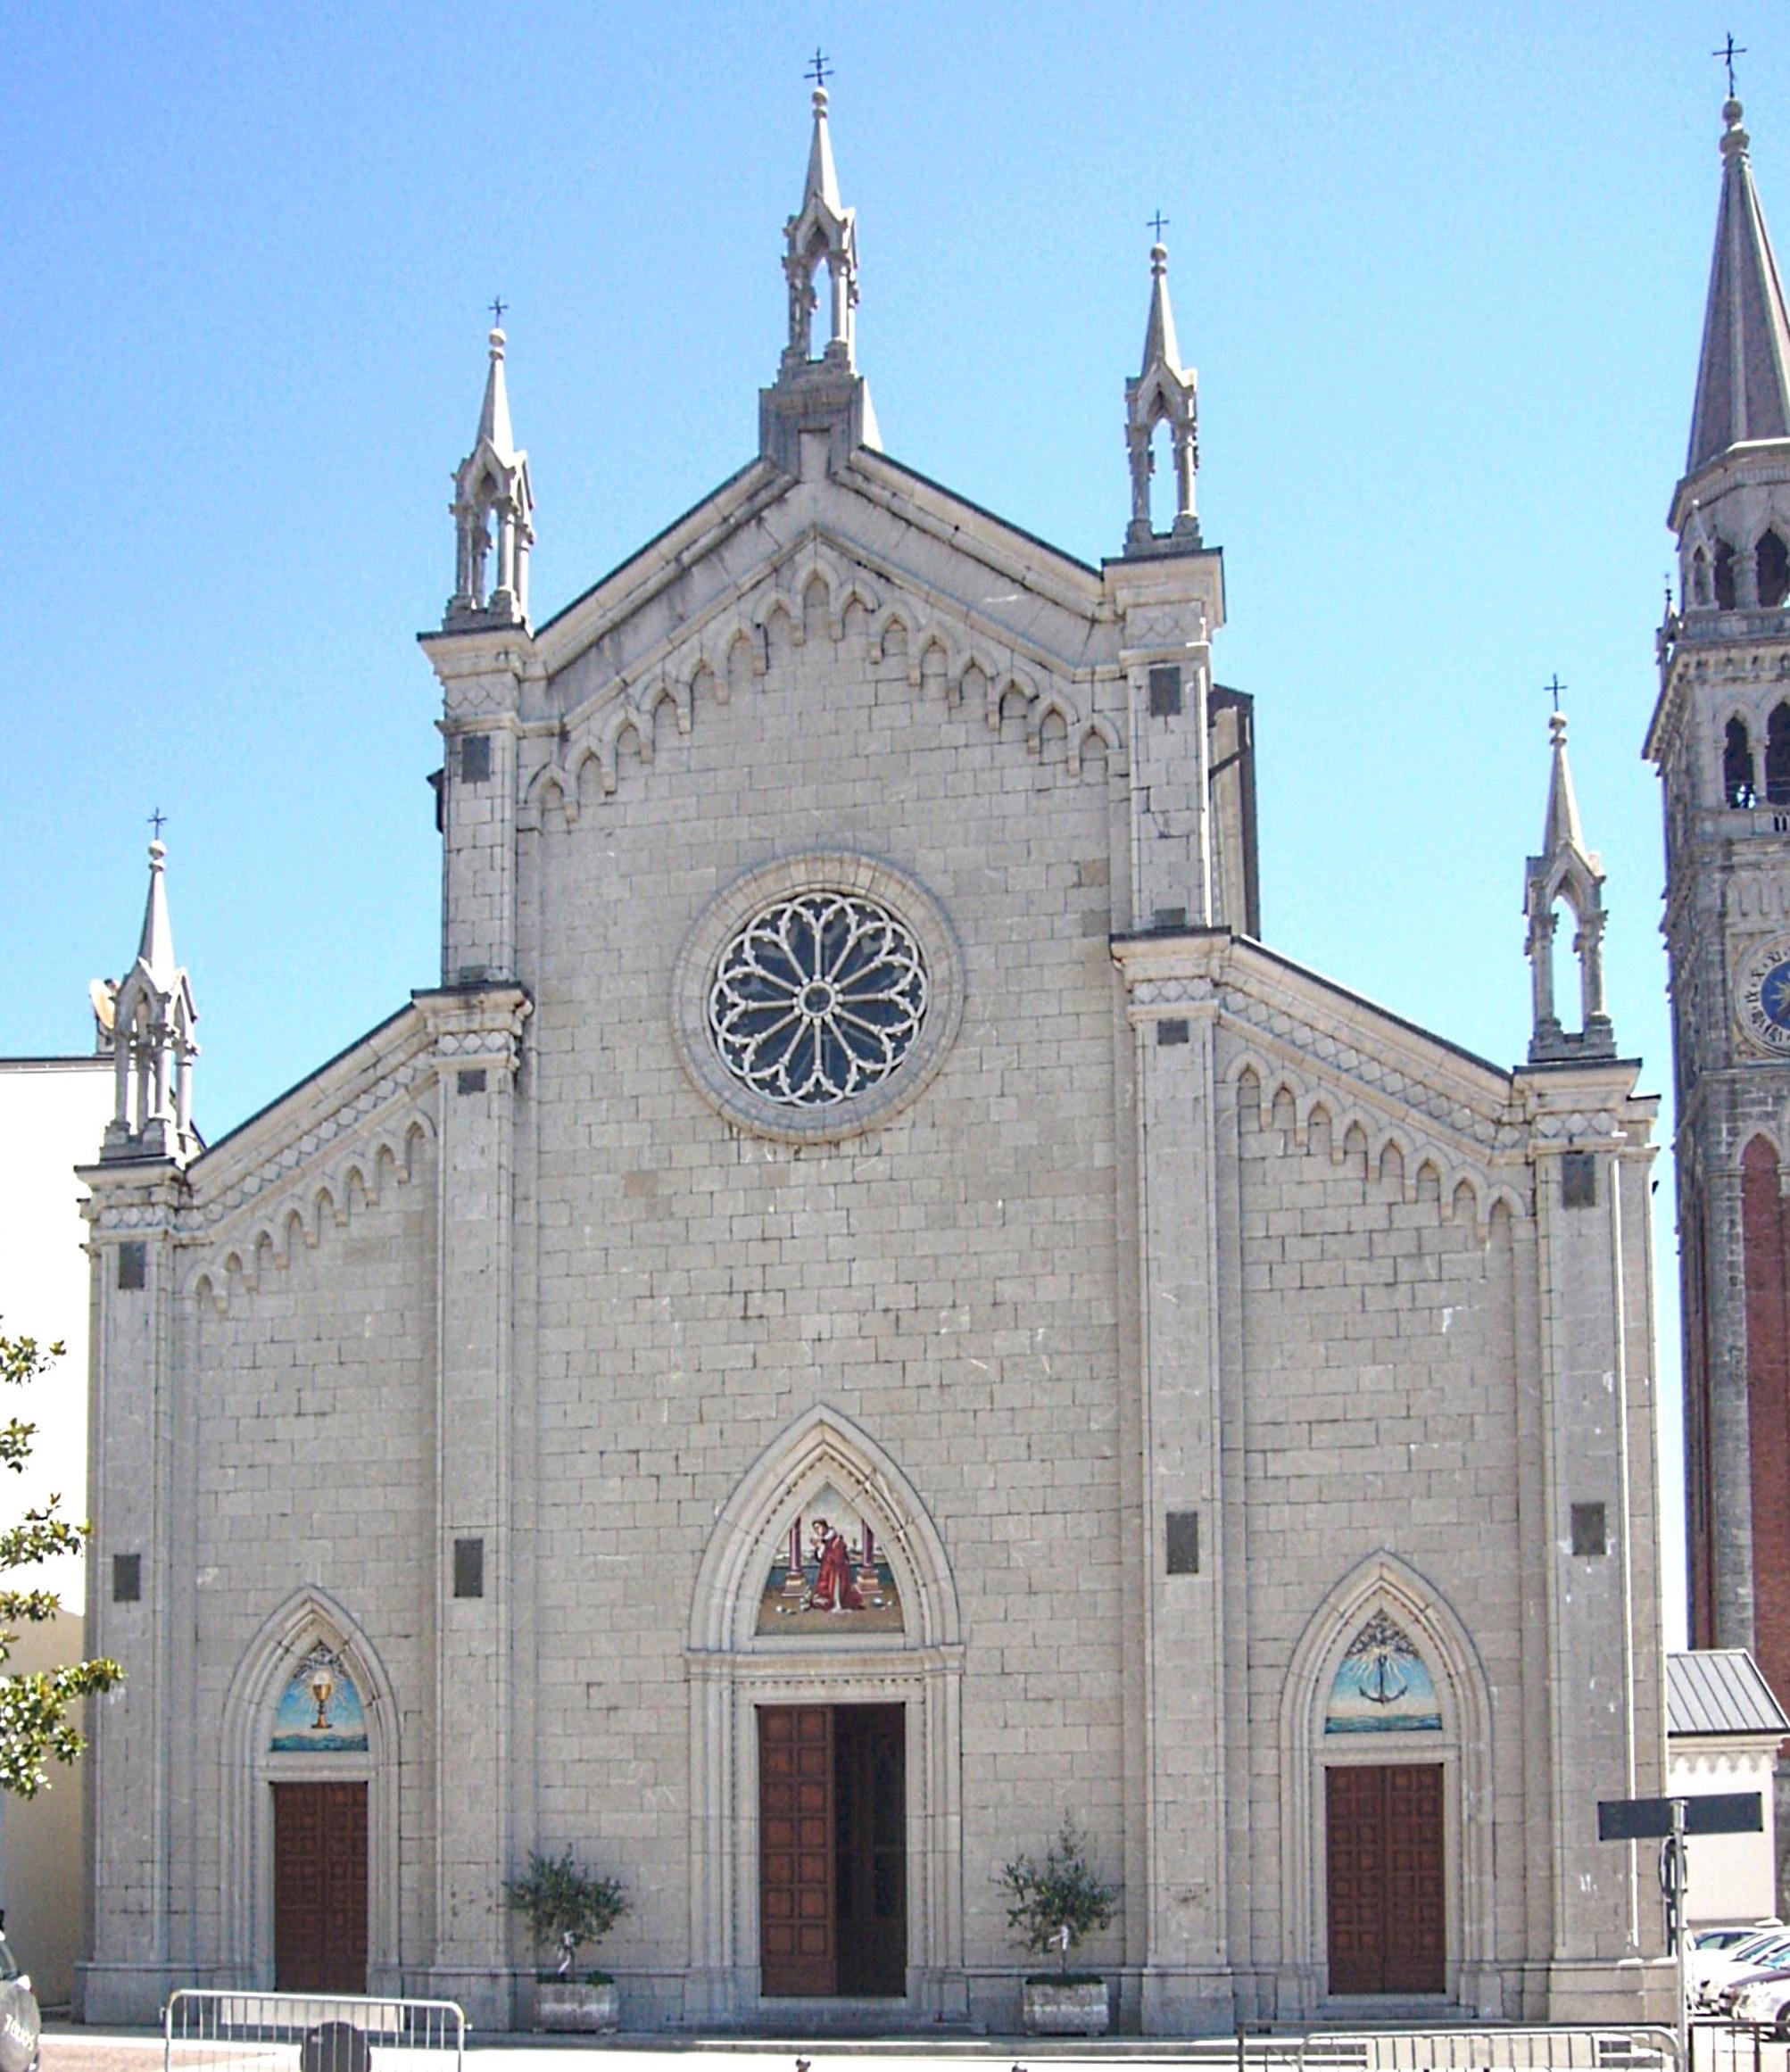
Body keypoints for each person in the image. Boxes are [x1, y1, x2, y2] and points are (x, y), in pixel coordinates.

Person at [806, 1518, 863, 1612]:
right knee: (821, 1595)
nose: (817, 1531)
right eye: (815, 1529)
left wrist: (822, 1548)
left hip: (836, 1571)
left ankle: (837, 1604)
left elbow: (837, 1557)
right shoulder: (823, 1540)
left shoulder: (837, 1540)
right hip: (826, 1571)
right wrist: (819, 1548)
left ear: (824, 1527)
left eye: (818, 1528)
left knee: (835, 1590)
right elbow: (820, 1558)